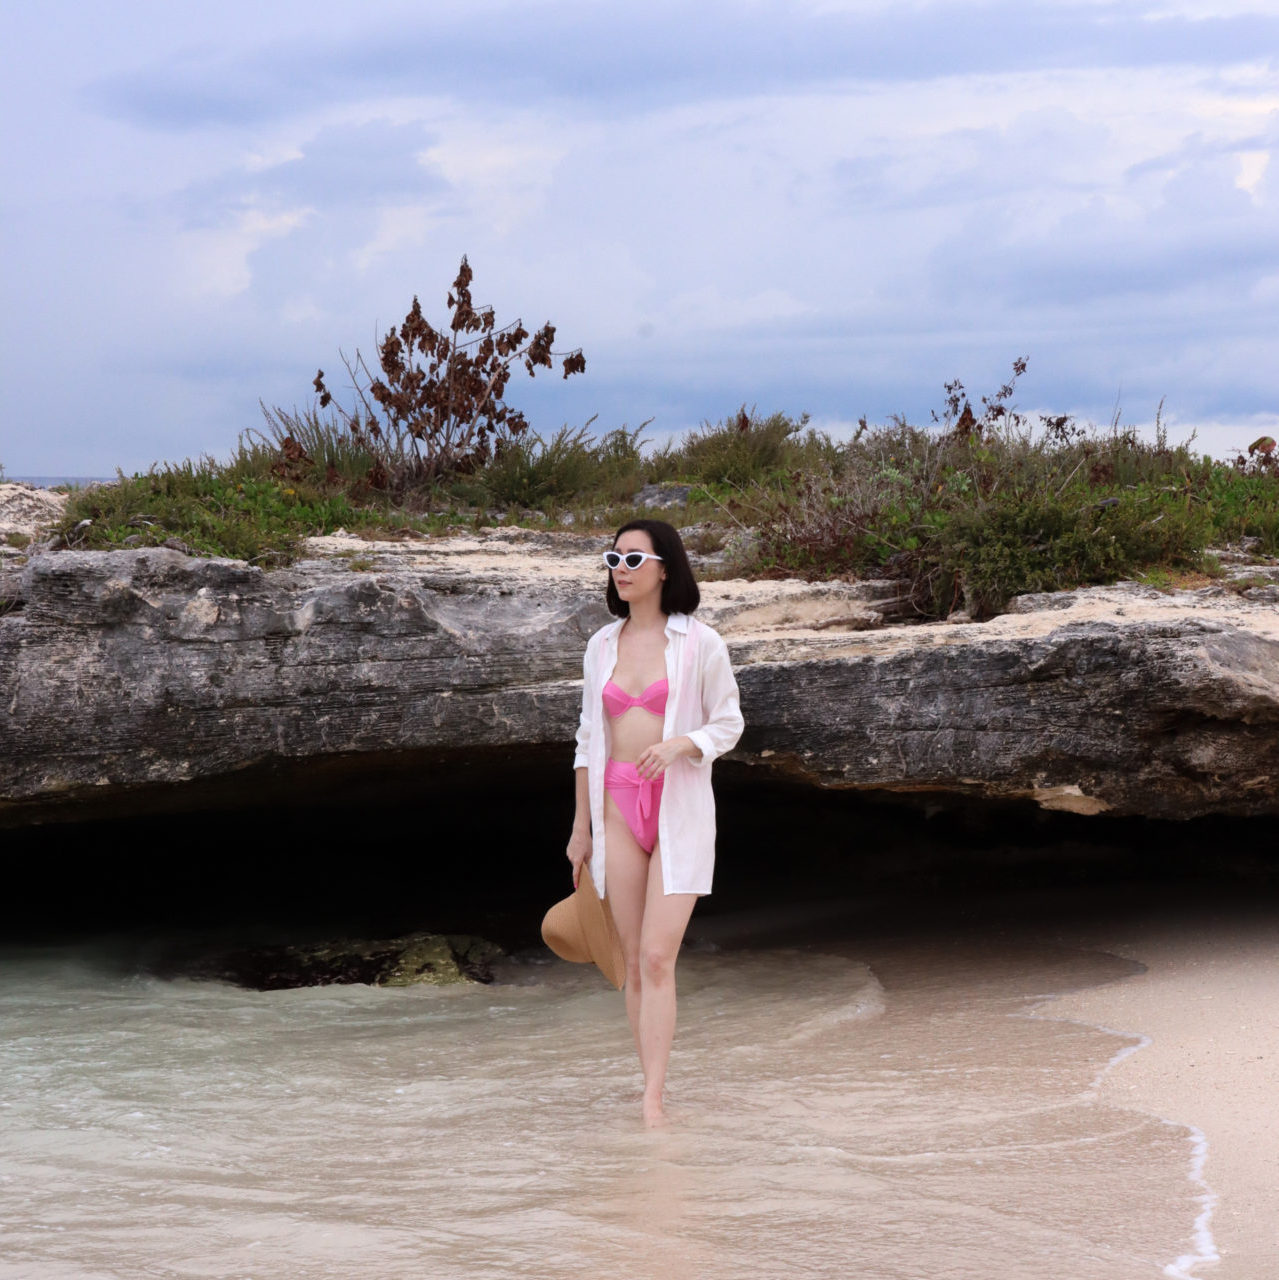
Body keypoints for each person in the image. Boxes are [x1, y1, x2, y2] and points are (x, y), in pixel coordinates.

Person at [568, 518, 744, 1127]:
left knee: (655, 957)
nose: (621, 569)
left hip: (679, 807)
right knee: (629, 961)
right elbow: (589, 740)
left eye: (635, 560)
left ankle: (653, 1100)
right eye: (614, 558)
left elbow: (729, 723)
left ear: (666, 567)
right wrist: (579, 830)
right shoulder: (599, 646)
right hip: (615, 806)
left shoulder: (701, 644)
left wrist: (680, 745)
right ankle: (648, 1087)